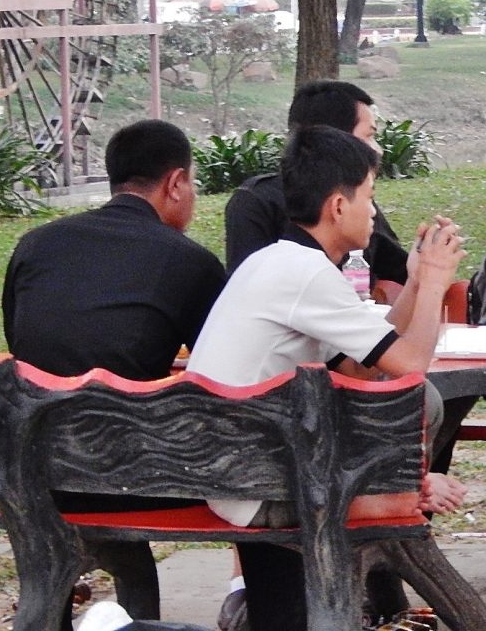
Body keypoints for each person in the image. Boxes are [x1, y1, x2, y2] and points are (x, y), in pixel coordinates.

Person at [188, 125, 467, 631]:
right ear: (338, 205)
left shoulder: (278, 262)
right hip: (256, 485)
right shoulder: (305, 274)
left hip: (234, 470)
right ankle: (408, 495)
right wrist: (434, 286)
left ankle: (406, 494)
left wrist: (418, 279)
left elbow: (364, 363)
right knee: (417, 437)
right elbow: (411, 367)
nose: (375, 213)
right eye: (370, 197)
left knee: (409, 468)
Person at [1, 119, 227, 631]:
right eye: (191, 184)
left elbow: (24, 347)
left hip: (31, 468)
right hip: (133, 475)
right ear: (175, 183)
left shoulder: (36, 244)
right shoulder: (188, 260)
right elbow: (223, 372)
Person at [223, 80, 407, 283]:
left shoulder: (355, 201)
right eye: (369, 136)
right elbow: (249, 287)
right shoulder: (256, 202)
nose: (378, 150)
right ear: (334, 139)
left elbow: (398, 272)